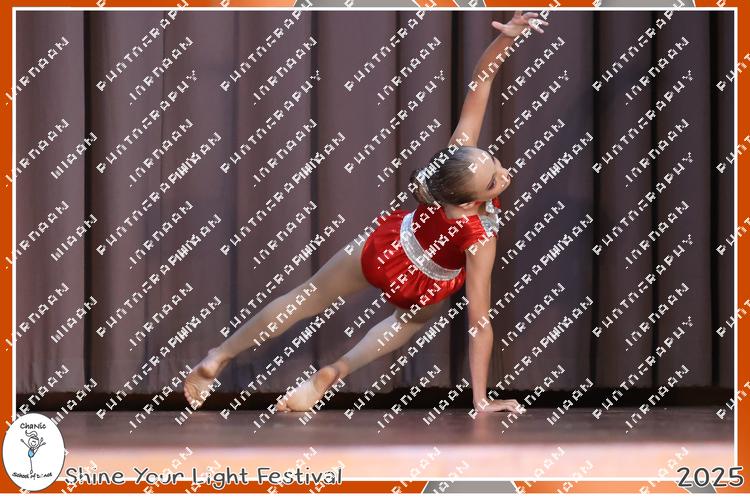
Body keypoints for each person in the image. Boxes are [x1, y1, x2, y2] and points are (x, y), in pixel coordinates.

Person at [182, 11, 548, 414]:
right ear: (465, 202)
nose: (504, 172)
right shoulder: (480, 235)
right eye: (494, 177)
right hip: (423, 284)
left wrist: (506, 39)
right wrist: (480, 400)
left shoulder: (454, 160)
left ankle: (217, 356)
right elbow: (479, 322)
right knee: (409, 320)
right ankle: (337, 370)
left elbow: (481, 83)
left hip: (386, 248)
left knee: (304, 297)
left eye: (495, 168)